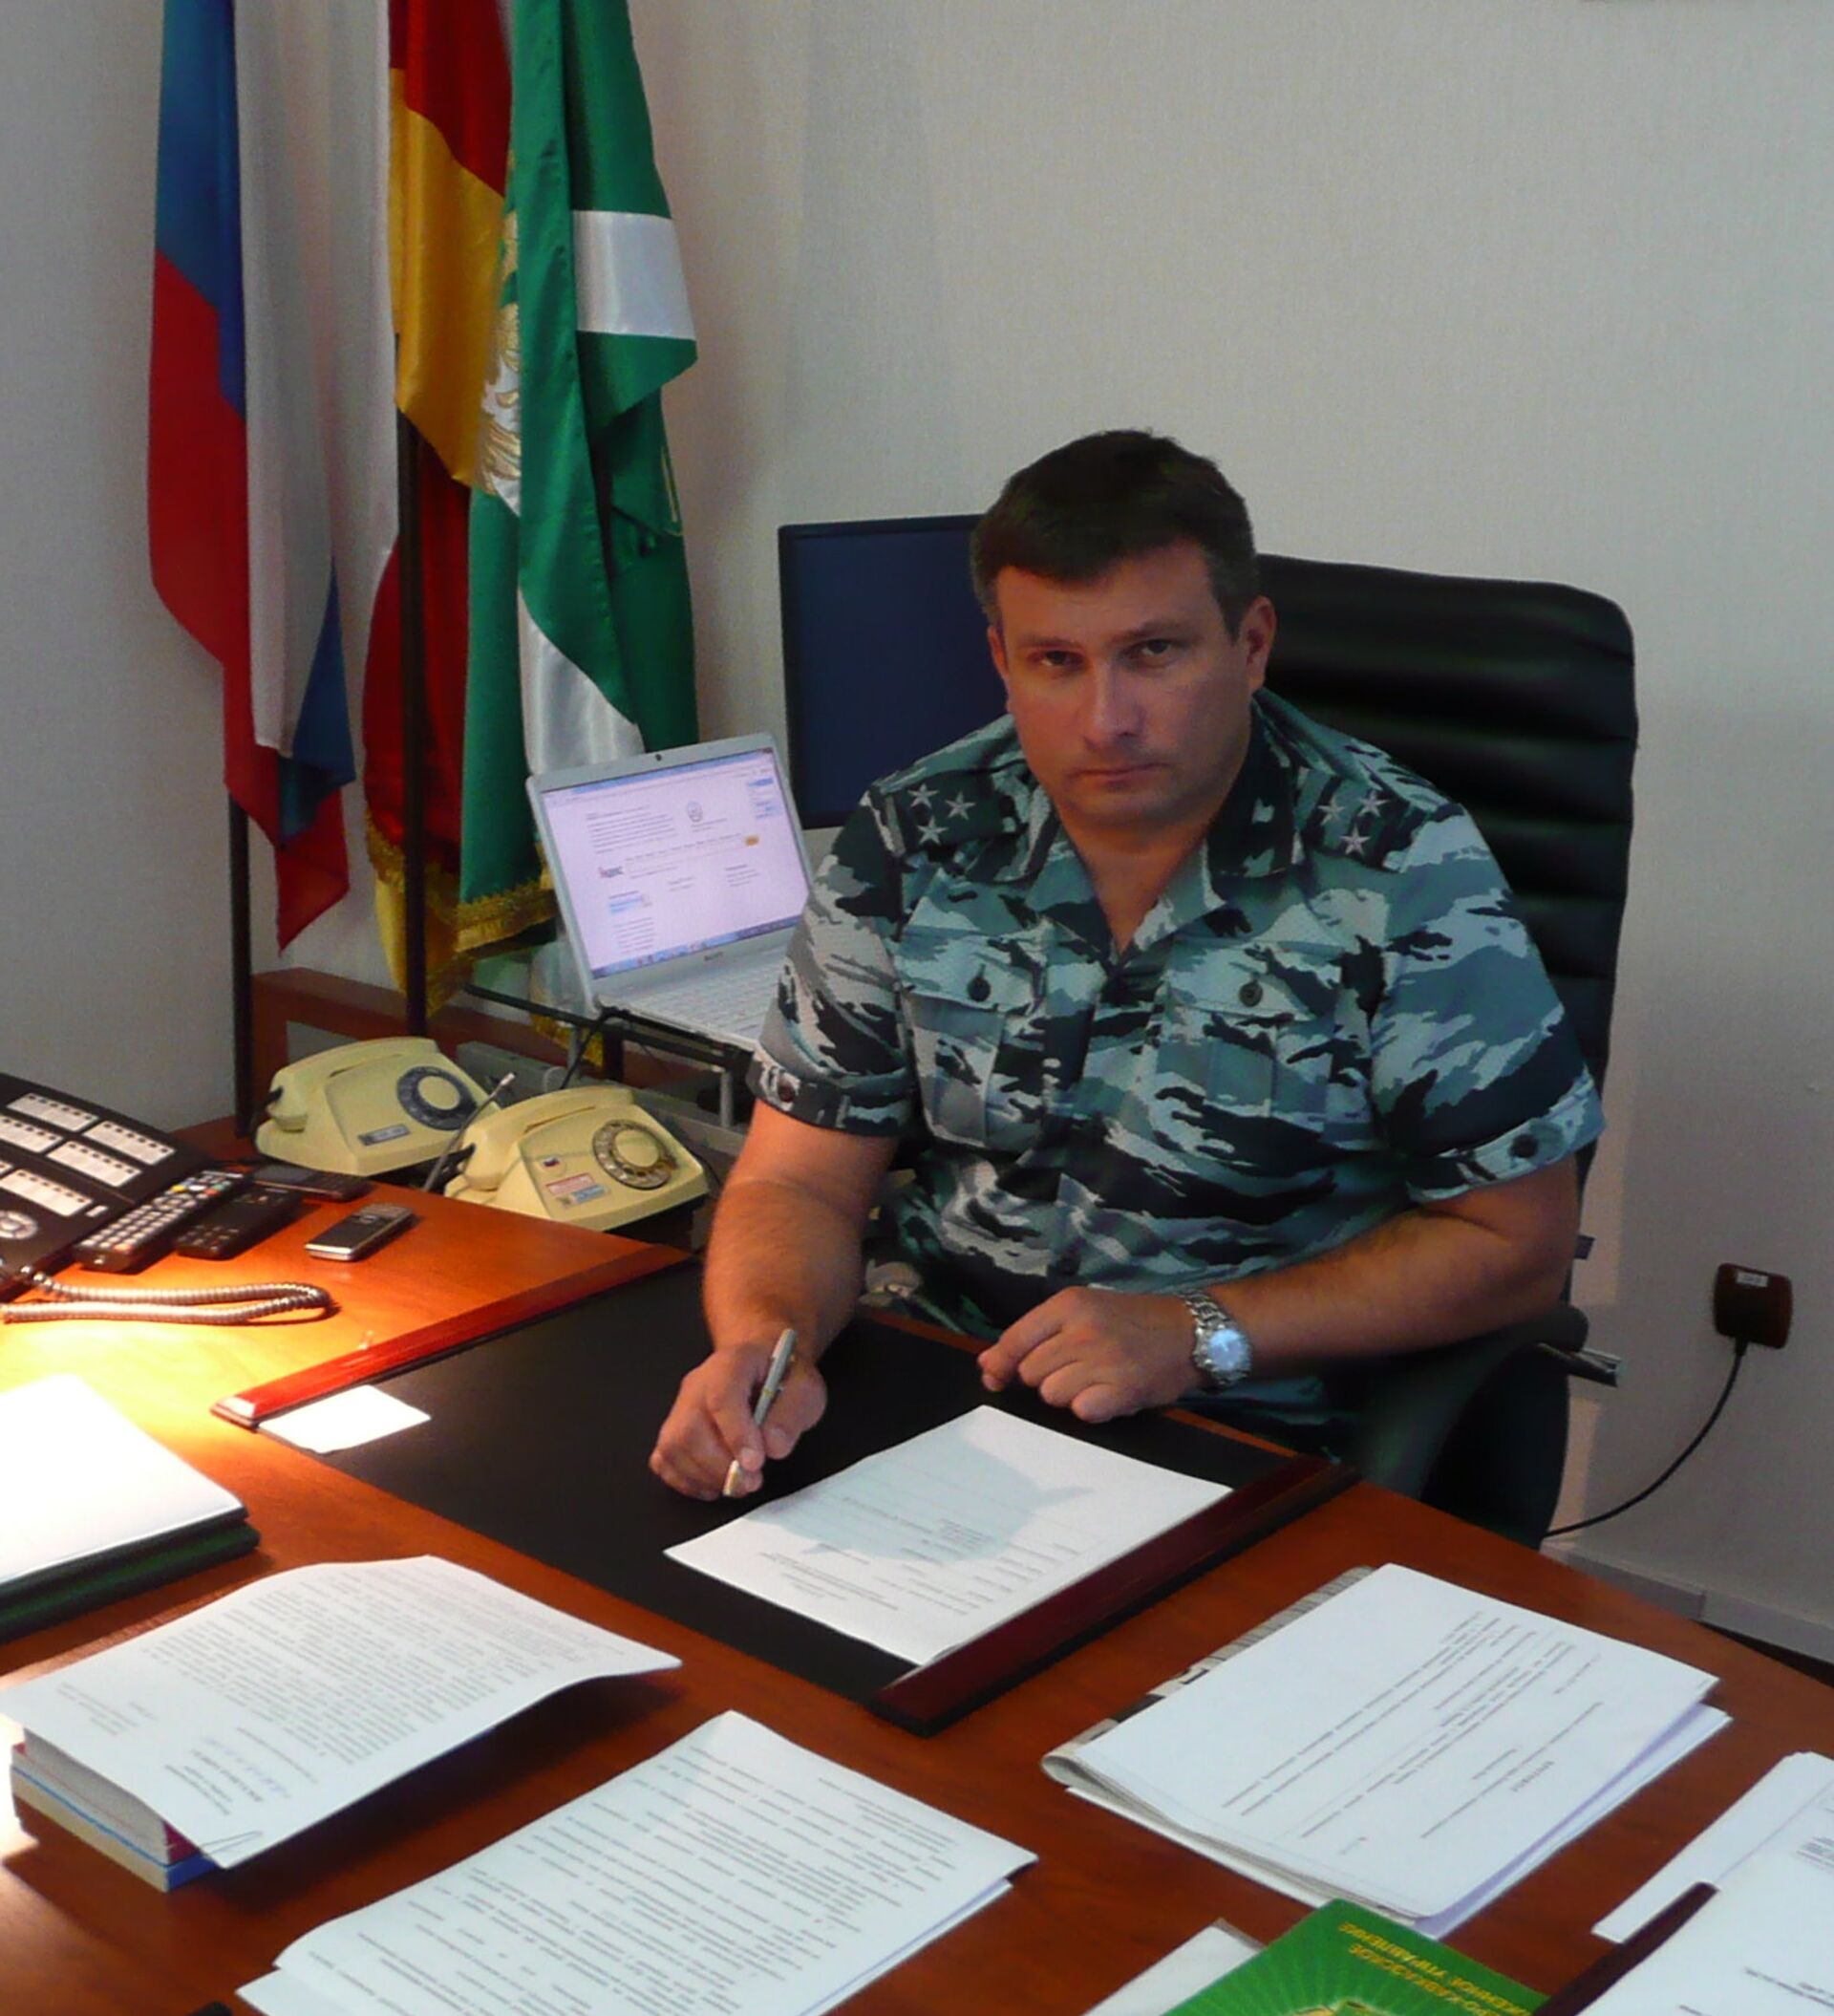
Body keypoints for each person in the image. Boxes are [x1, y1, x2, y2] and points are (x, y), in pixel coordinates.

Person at [650, 430, 1601, 1499]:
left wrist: (1197, 1332)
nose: (1107, 721)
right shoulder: (919, 834)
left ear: (1251, 643)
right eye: (1058, 662)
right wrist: (763, 1343)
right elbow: (799, 1177)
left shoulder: (1398, 868)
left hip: (1245, 1432)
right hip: (939, 1389)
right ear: (1003, 660)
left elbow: (1515, 1243)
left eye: (1154, 652)